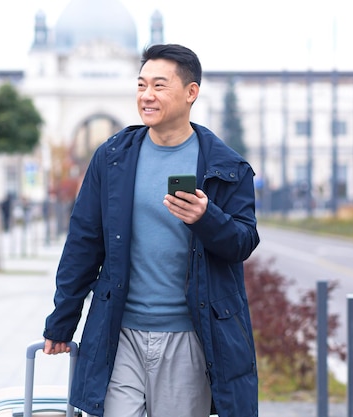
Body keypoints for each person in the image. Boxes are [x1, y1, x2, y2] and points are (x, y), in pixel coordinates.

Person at [42, 44, 260, 417]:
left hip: (189, 338)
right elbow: (84, 242)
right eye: (142, 85)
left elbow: (243, 242)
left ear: (191, 93)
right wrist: (63, 319)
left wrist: (207, 218)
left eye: (159, 86)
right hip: (119, 333)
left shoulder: (226, 166)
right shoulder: (112, 158)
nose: (147, 95)